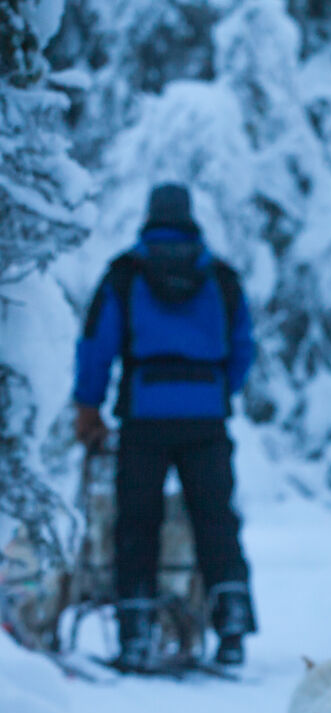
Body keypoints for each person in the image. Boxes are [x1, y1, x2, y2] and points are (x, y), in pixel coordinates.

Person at [73, 182, 258, 671]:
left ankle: (134, 632)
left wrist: (88, 407)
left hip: (144, 414)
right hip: (206, 418)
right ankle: (232, 622)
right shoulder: (220, 277)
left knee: (137, 521)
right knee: (216, 520)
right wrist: (218, 391)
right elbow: (243, 346)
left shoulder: (125, 274)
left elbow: (97, 344)